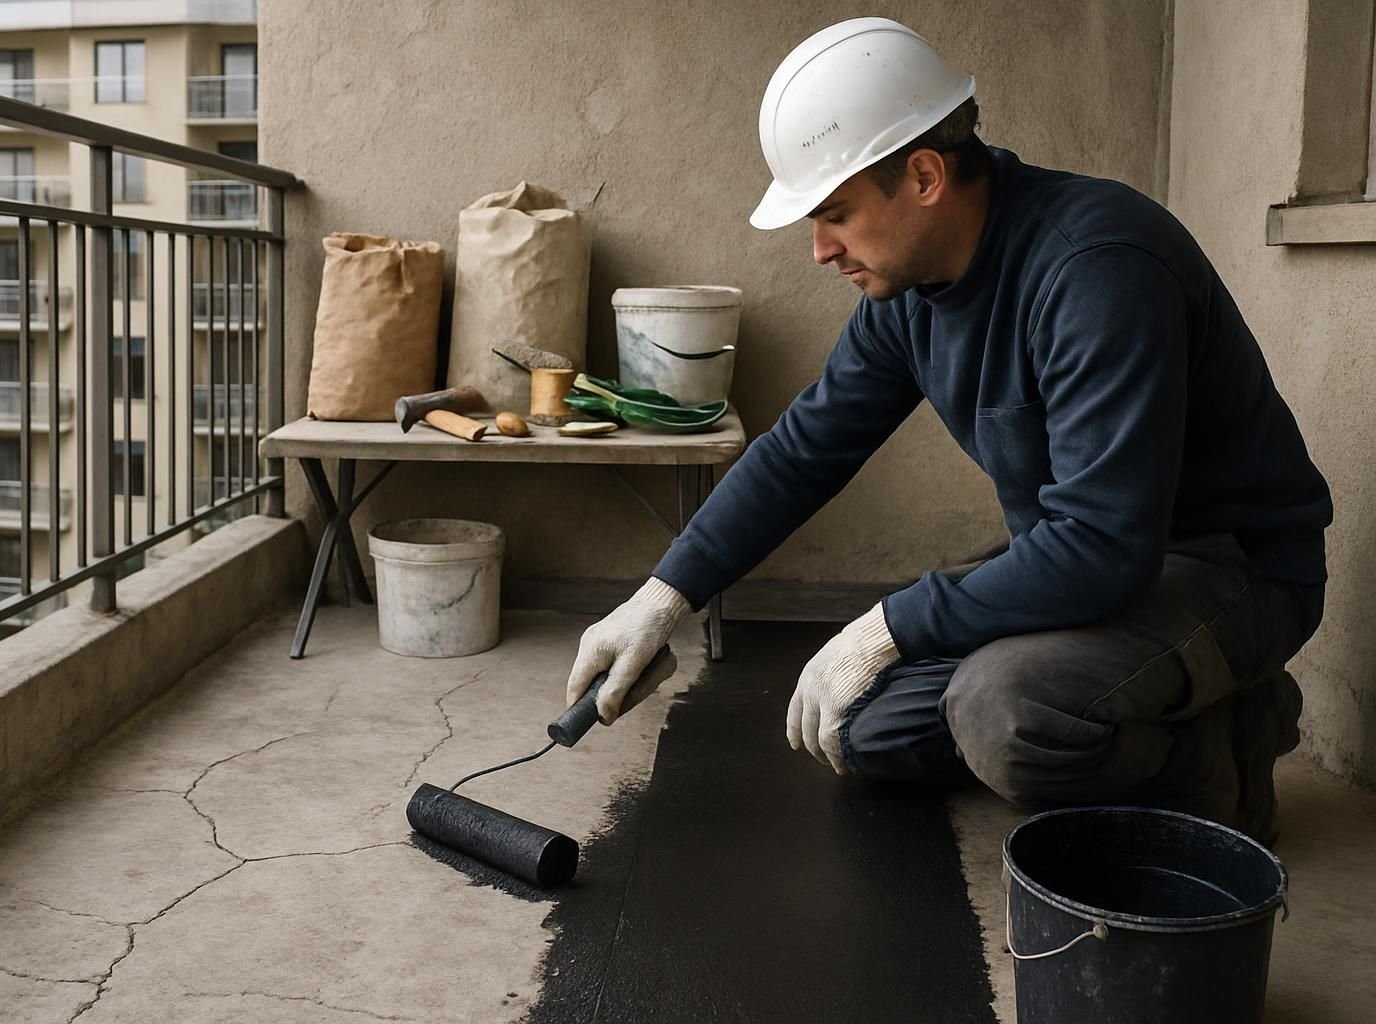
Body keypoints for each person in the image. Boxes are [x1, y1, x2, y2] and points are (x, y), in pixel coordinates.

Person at [565, 18, 1331, 843]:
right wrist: (662, 597)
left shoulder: (1097, 267)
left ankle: (1221, 764)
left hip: (1231, 567)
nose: (820, 250)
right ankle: (1186, 701)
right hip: (1092, 562)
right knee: (859, 724)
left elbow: (1106, 546)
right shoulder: (912, 292)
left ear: (924, 174)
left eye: (835, 215)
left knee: (1004, 712)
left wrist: (889, 625)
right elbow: (803, 450)